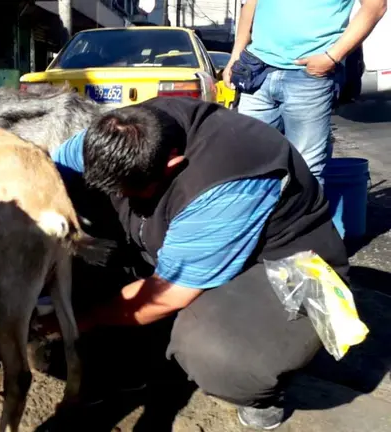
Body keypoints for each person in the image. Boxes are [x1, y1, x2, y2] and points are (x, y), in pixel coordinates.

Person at [48, 96, 350, 430]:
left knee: (216, 354)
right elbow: (51, 173)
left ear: (171, 164)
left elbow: (164, 295)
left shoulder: (227, 182)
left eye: (132, 190)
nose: (124, 197)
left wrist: (81, 320)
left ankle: (259, 394)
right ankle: (136, 358)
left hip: (287, 264)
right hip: (181, 241)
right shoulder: (120, 132)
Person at [224, 0, 387, 184]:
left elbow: (375, 6)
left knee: (304, 170)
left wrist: (332, 57)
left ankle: (300, 213)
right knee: (247, 165)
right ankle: (264, 213)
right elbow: (251, 4)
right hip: (257, 71)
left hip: (308, 78)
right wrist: (236, 55)